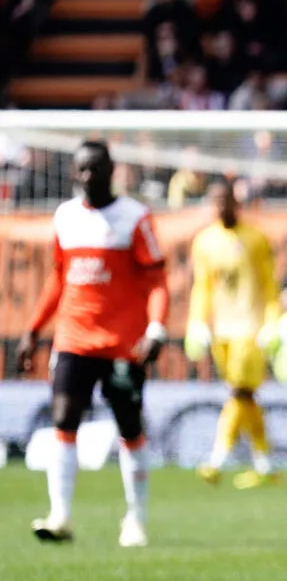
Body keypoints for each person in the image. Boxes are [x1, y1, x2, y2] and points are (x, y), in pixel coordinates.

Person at [16, 141, 169, 548]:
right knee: (64, 418)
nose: (89, 177)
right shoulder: (65, 217)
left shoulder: (135, 217)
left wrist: (155, 328)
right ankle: (60, 516)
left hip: (123, 344)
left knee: (130, 428)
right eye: (82, 170)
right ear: (74, 173)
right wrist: (33, 329)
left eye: (96, 169)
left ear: (111, 170)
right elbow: (58, 278)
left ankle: (135, 520)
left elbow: (156, 280)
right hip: (73, 338)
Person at [186, 179, 281, 489]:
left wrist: (272, 321)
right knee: (247, 397)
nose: (222, 207)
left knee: (238, 393)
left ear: (236, 203)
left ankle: (216, 461)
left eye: (226, 201)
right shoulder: (204, 242)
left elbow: (269, 284)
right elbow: (203, 287)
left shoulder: (255, 238)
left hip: (251, 328)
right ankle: (265, 466)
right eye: (216, 201)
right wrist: (198, 322)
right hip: (222, 331)